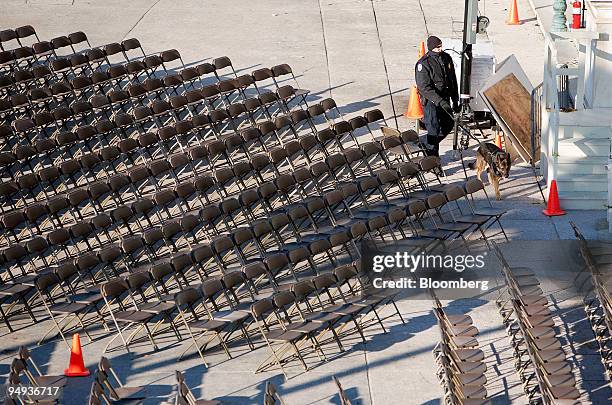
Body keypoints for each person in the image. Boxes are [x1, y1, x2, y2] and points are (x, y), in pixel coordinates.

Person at [415, 35, 459, 156]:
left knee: (449, 124)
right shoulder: (423, 64)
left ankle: (427, 144)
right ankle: (433, 160)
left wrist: (455, 100)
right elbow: (424, 88)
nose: (440, 49)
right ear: (431, 48)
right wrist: (440, 101)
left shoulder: (446, 58)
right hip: (431, 102)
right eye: (437, 47)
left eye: (441, 46)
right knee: (433, 130)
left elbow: (452, 80)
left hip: (444, 98)